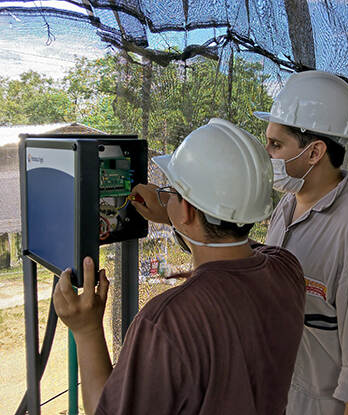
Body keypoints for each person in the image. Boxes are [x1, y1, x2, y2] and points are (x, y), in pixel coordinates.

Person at [53, 118, 306, 415]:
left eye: (170, 191)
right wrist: (175, 213)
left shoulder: (167, 322)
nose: (165, 195)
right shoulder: (288, 270)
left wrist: (86, 330)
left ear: (186, 210)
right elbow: (236, 249)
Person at [253, 70, 348, 415]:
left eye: (276, 145)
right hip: (280, 394)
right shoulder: (289, 203)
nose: (267, 153)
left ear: (315, 152)